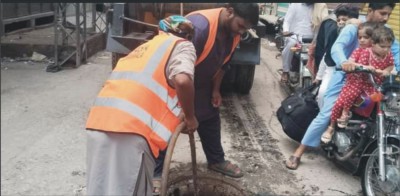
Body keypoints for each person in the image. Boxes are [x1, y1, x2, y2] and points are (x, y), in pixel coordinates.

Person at [85, 16, 199, 195]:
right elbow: (183, 80)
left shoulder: (144, 49)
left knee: (101, 189)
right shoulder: (181, 45)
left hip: (98, 124)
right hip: (129, 133)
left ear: (160, 31)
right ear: (189, 36)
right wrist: (190, 117)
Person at [153, 3, 260, 193]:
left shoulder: (234, 34)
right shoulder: (200, 28)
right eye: (241, 26)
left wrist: (215, 90)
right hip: (175, 81)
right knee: (168, 124)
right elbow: (180, 74)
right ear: (229, 11)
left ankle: (216, 160)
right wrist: (188, 114)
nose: (242, 32)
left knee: (210, 116)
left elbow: (223, 65)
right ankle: (156, 172)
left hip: (200, 81)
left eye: (246, 29)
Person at [285, 3, 399, 170]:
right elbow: (337, 47)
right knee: (328, 113)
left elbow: (396, 52)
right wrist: (345, 62)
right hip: (347, 77)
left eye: (388, 15)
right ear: (370, 11)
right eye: (382, 13)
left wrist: (393, 68)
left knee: (386, 109)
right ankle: (299, 152)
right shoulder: (354, 28)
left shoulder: (385, 31)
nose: (385, 18)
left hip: (371, 82)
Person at [321, 24, 395, 143]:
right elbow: (352, 63)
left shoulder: (388, 55)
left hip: (374, 85)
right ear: (373, 43)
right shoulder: (365, 52)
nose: (386, 49)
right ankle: (333, 125)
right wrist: (368, 68)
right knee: (342, 101)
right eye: (382, 46)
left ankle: (371, 126)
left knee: (383, 101)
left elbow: (391, 65)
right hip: (357, 81)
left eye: (388, 47)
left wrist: (387, 71)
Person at [314, 4, 360, 108]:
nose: (340, 23)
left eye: (344, 20)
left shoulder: (360, 36)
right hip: (332, 69)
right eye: (338, 20)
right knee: (323, 93)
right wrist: (319, 76)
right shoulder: (334, 34)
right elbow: (327, 55)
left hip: (353, 73)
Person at [280, 3, 315, 84]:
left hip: (310, 38)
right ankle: (285, 71)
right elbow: (287, 21)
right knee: (290, 46)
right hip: (295, 36)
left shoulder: (316, 7)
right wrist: (286, 31)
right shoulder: (295, 5)